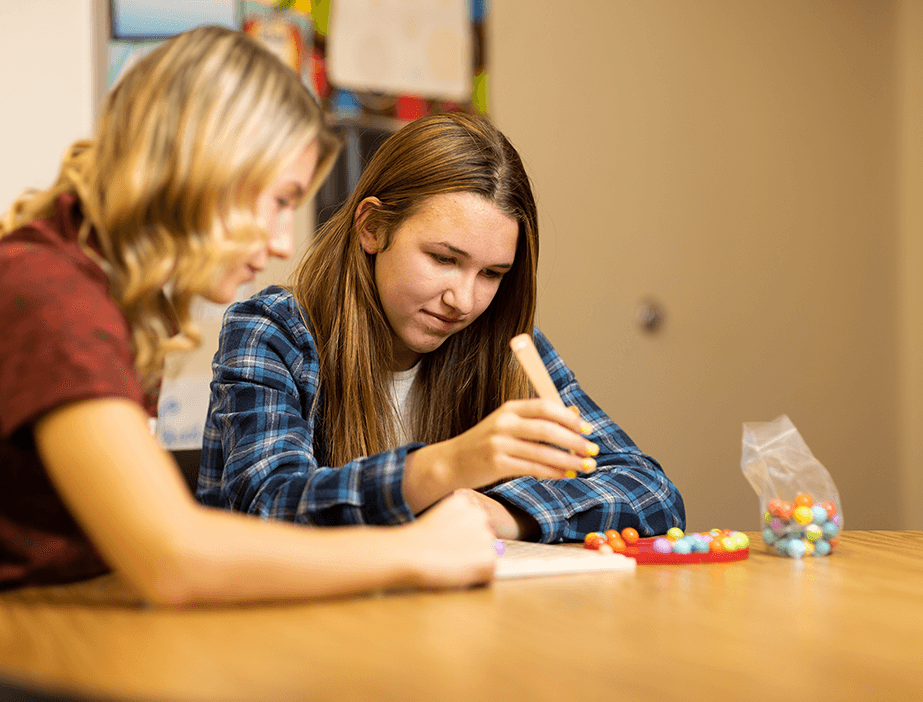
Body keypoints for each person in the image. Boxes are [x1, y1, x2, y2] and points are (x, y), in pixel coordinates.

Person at [0, 27, 497, 699]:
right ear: (200, 165)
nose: (278, 242)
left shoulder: (85, 286)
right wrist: (417, 551)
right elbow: (173, 558)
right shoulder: (45, 297)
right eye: (278, 199)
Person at [199, 111, 686, 543]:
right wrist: (451, 465)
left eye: (492, 273)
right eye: (443, 259)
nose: (464, 301)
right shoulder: (273, 332)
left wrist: (501, 513)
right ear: (371, 227)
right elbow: (268, 507)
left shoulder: (509, 346)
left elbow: (651, 490)